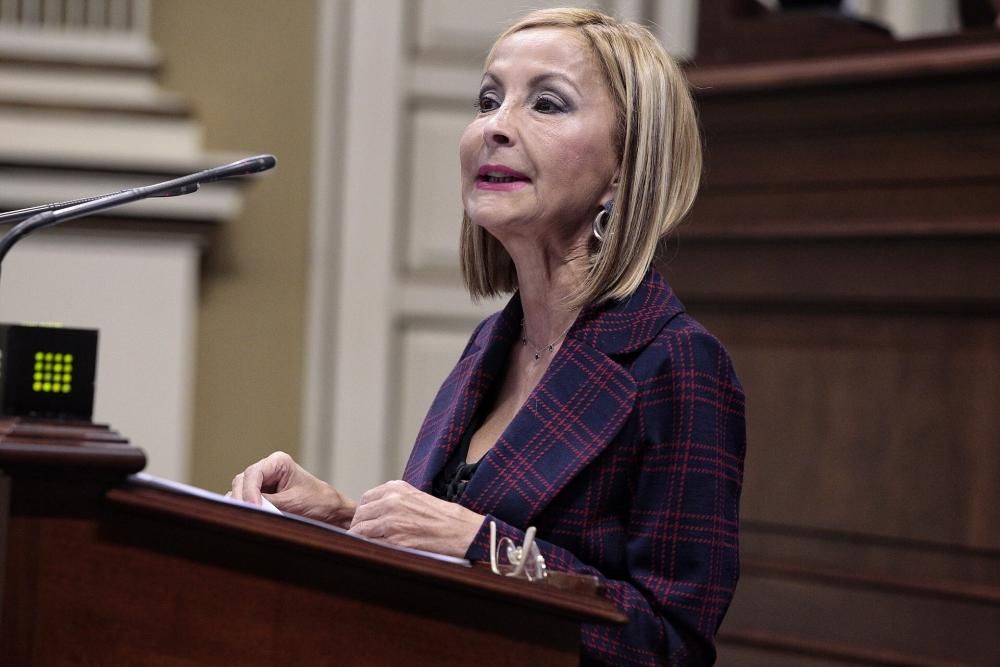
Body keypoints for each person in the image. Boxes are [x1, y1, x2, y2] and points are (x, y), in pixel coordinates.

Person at [231, 8, 745, 665]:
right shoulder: (491, 343)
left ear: (623, 167)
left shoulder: (677, 363)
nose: (495, 126)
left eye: (547, 103)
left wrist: (487, 547)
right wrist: (343, 517)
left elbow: (671, 645)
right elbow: (458, 541)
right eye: (489, 99)